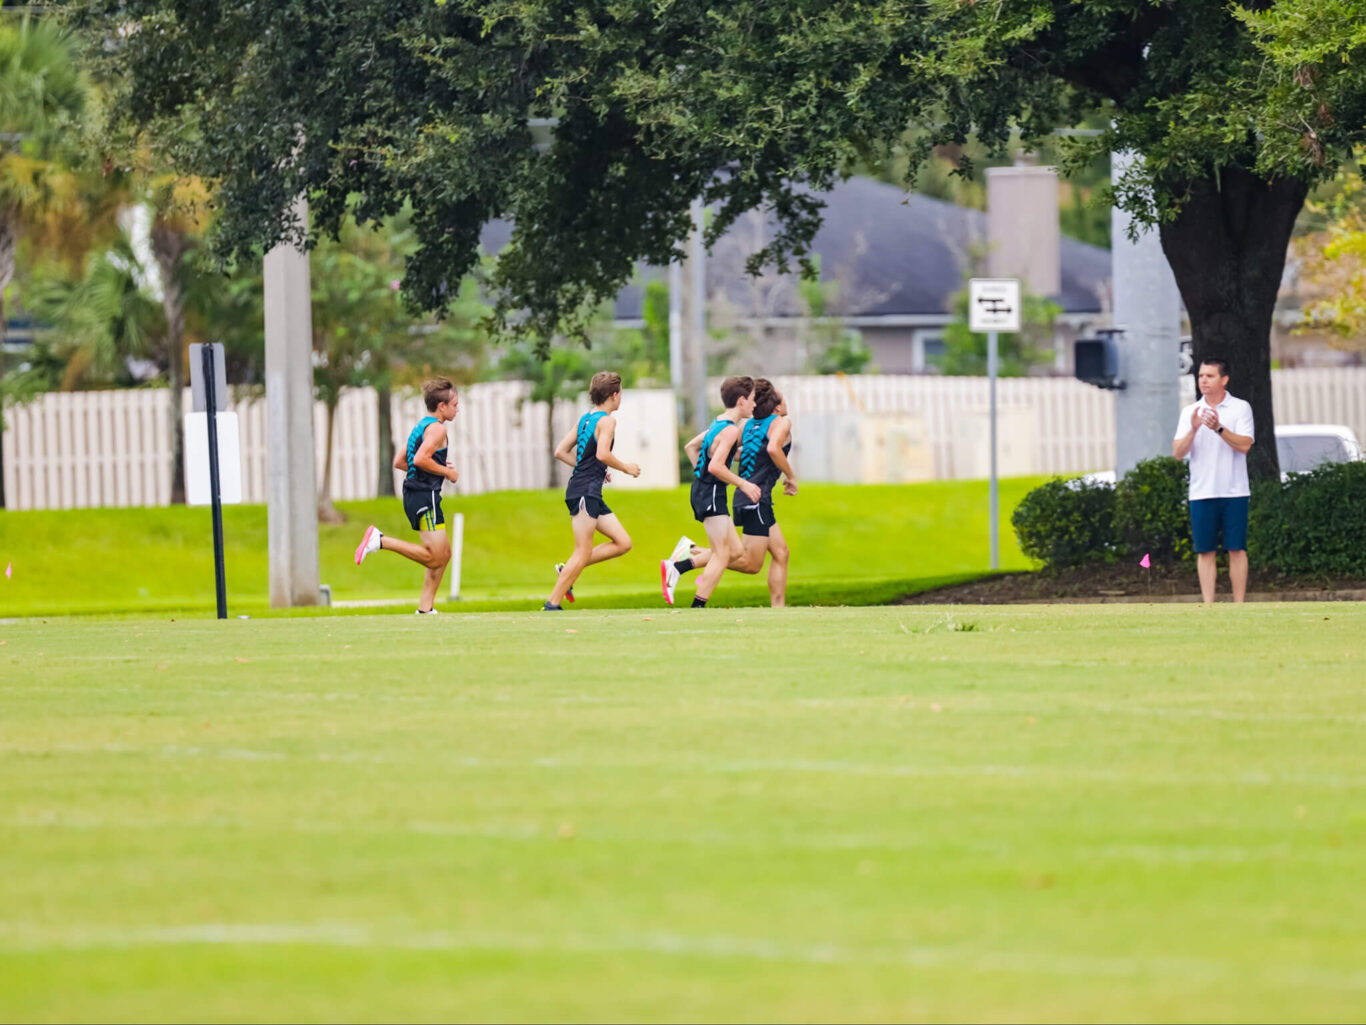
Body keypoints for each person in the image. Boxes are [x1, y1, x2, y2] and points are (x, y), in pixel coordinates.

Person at [669, 379, 797, 607]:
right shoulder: (780, 422)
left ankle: (779, 608)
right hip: (755, 498)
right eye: (782, 397)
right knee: (749, 563)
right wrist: (791, 476)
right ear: (777, 406)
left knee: (781, 552)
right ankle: (689, 556)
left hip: (750, 498)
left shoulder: (746, 426)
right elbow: (772, 448)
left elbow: (708, 446)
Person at [354, 378, 462, 614]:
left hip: (418, 494)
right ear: (441, 406)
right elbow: (419, 459)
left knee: (444, 554)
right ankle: (380, 540)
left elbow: (401, 461)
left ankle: (425, 609)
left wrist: (434, 467)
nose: (457, 408)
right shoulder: (438, 429)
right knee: (435, 558)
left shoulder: (421, 426)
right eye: (454, 404)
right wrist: (447, 472)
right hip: (425, 497)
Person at [544, 371, 641, 611]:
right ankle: (552, 604)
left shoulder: (586, 419)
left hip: (587, 488)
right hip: (585, 491)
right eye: (621, 394)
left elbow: (561, 451)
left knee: (622, 542)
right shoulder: (607, 421)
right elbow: (602, 454)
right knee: (583, 551)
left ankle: (567, 569)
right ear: (614, 395)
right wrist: (626, 467)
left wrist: (596, 469)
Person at [660, 376, 759, 607]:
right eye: (753, 400)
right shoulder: (731, 430)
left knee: (734, 552)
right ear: (742, 400)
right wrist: (743, 484)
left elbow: (691, 447)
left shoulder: (719, 423)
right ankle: (698, 607)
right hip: (711, 493)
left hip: (708, 491)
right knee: (722, 554)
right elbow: (716, 466)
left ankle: (679, 564)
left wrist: (701, 475)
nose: (754, 405)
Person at [1173, 357, 1255, 603]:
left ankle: (1239, 604)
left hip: (1234, 491)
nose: (1203, 381)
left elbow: (1244, 445)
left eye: (1210, 376)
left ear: (1224, 380)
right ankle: (1209, 605)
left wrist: (1219, 428)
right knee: (1205, 550)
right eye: (1200, 376)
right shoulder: (1190, 412)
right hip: (1201, 492)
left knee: (1236, 549)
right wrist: (1194, 428)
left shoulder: (1240, 408)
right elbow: (1178, 453)